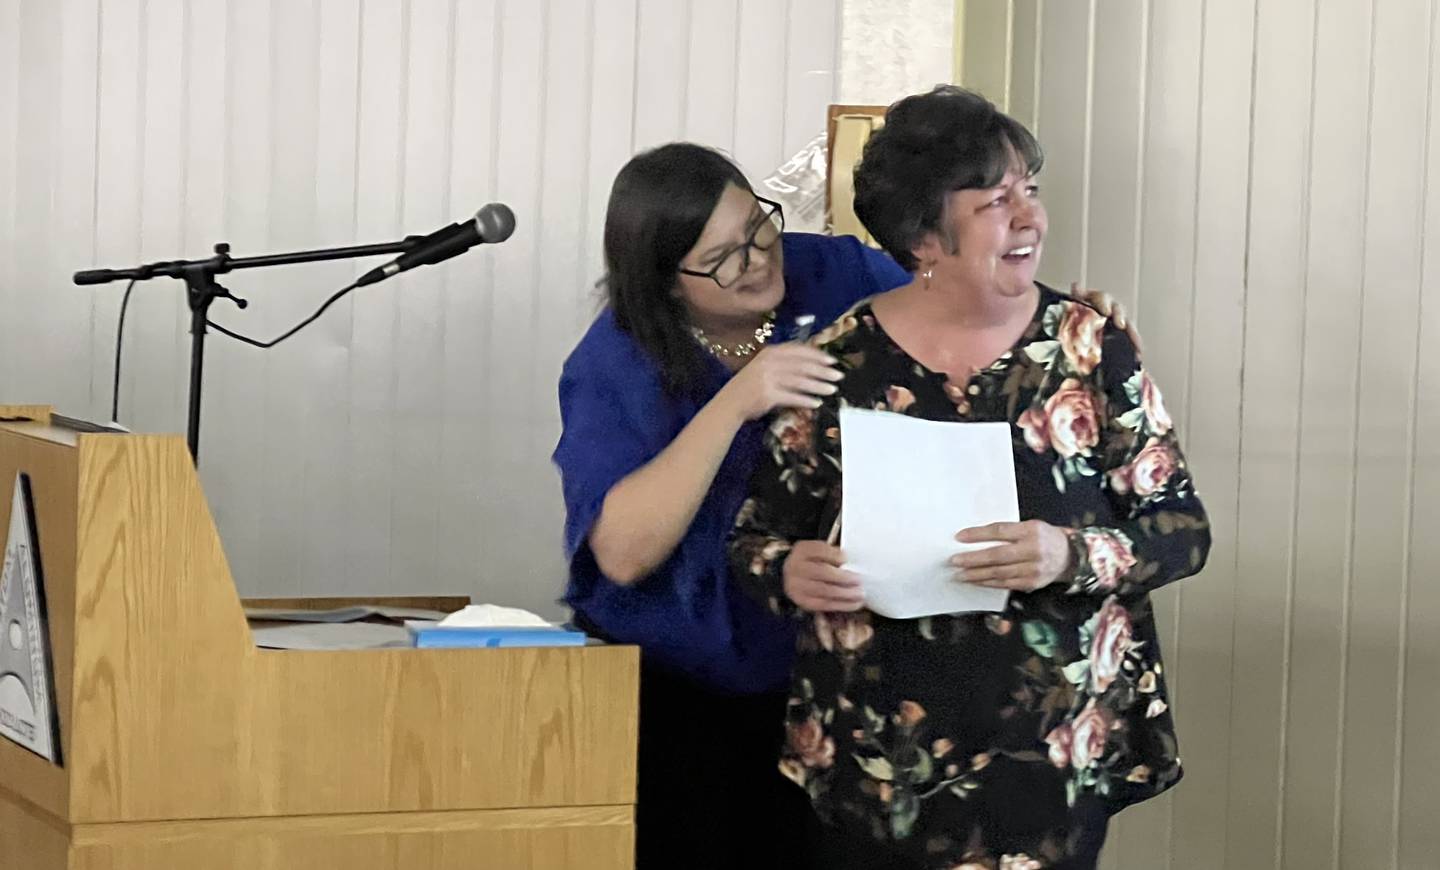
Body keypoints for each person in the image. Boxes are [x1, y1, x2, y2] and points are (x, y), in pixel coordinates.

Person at [552, 141, 1140, 870]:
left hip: (835, 678)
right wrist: (738, 400)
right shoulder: (618, 357)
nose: (759, 261)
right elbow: (621, 551)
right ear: (666, 282)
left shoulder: (833, 272)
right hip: (684, 679)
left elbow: (964, 307)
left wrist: (1069, 325)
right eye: (724, 259)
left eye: (758, 228)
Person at [729, 86, 1210, 870]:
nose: (1030, 217)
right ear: (924, 236)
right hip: (879, 762)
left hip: (1050, 758)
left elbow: (1183, 528)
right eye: (996, 199)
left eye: (1032, 190)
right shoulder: (836, 364)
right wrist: (788, 568)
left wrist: (1069, 555)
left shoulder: (1091, 348)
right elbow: (751, 542)